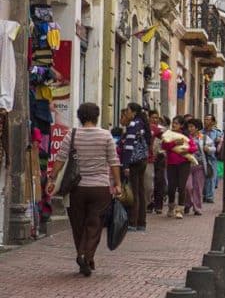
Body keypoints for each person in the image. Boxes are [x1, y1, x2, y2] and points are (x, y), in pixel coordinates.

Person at [47, 102, 121, 277]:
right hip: (100, 188)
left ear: (79, 117)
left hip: (77, 189)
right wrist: (117, 184)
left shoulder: (72, 135)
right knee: (94, 224)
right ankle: (86, 255)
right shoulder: (106, 136)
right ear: (97, 116)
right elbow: (114, 161)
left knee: (78, 225)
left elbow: (60, 159)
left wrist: (52, 179)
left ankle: (83, 255)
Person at [120, 102, 151, 231]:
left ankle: (132, 222)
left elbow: (128, 147)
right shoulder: (143, 123)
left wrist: (125, 164)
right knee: (140, 191)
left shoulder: (133, 124)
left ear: (133, 112)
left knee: (134, 192)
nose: (126, 113)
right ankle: (141, 223)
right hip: (143, 160)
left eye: (127, 110)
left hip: (134, 161)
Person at [161, 116, 196, 219]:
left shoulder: (185, 135)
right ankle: (171, 207)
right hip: (171, 164)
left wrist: (187, 150)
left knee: (182, 187)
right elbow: (164, 146)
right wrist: (174, 143)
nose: (174, 125)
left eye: (176, 123)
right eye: (173, 123)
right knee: (171, 187)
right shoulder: (168, 134)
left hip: (184, 164)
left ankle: (179, 210)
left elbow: (194, 147)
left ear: (181, 125)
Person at [185, 119, 208, 216]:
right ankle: (188, 203)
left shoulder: (203, 137)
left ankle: (197, 208)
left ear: (197, 128)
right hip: (186, 165)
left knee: (198, 188)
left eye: (192, 127)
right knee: (187, 187)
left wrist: (208, 148)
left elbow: (213, 148)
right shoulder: (185, 137)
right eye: (188, 127)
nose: (190, 129)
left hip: (199, 165)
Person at [149, 112, 167, 215]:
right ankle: (149, 204)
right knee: (150, 183)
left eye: (156, 118)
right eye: (152, 118)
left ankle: (158, 205)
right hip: (149, 158)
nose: (155, 120)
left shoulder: (162, 130)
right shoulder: (146, 129)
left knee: (159, 181)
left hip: (160, 157)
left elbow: (166, 143)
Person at [202, 115, 222, 203]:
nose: (205, 121)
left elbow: (222, 143)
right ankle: (204, 194)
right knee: (203, 177)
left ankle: (209, 196)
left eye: (208, 119)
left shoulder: (217, 133)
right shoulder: (200, 132)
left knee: (211, 177)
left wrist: (219, 140)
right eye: (205, 119)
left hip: (213, 158)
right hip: (202, 157)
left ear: (213, 122)